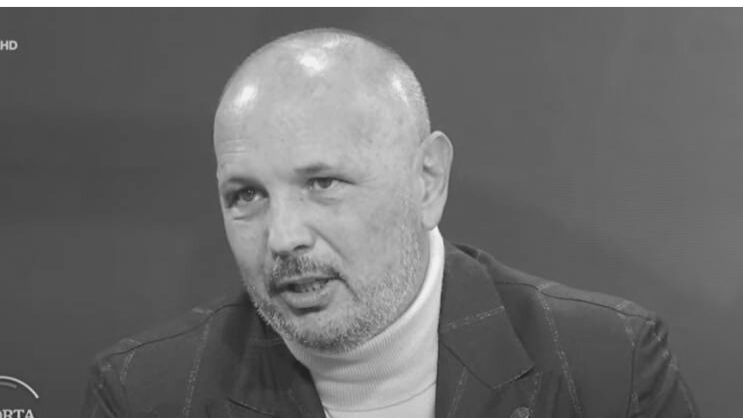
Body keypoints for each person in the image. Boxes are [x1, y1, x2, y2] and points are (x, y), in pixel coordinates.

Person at [82, 28, 698, 418]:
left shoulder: (609, 367)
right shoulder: (143, 394)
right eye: (246, 195)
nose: (283, 237)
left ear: (427, 180)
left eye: (322, 183)